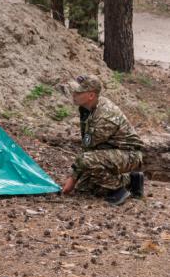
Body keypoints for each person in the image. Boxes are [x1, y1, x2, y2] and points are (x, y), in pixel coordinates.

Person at [60, 75, 144, 206]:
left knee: (87, 162)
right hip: (111, 152)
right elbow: (89, 145)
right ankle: (131, 180)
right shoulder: (87, 107)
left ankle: (118, 190)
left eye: (78, 92)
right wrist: (77, 179)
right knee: (85, 188)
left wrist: (72, 179)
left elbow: (88, 149)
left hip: (129, 155)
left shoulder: (105, 115)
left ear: (91, 95)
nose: (74, 94)